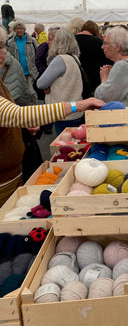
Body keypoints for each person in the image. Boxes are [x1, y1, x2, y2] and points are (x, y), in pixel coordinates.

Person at [0, 27, 104, 205]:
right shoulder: (71, 58)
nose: (2, 52)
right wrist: (77, 105)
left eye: (1, 46)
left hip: (13, 175)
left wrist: (20, 125)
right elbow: (15, 113)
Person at [36, 27, 84, 135]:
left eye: (50, 39)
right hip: (75, 109)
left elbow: (40, 83)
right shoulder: (74, 57)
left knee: (65, 146)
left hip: (63, 112)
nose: (47, 42)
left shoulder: (60, 60)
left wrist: (47, 86)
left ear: (59, 42)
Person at [95, 26, 128, 106]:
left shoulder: (121, 66)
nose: (102, 47)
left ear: (118, 47)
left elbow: (103, 97)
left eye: (105, 43)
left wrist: (104, 79)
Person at [75, 20, 110, 94]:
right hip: (95, 79)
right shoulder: (98, 41)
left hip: (76, 78)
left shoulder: (72, 40)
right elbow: (107, 60)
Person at [6, 20, 38, 96]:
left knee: (32, 93)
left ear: (24, 29)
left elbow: (38, 54)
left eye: (21, 28)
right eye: (17, 28)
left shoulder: (32, 41)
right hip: (17, 72)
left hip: (31, 72)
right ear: (14, 30)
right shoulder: (10, 42)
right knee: (19, 93)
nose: (19, 30)